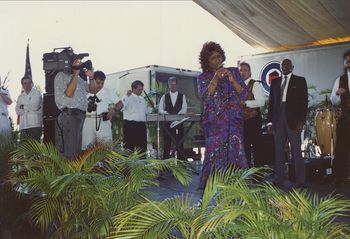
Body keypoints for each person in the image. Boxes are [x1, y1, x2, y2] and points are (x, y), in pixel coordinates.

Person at [197, 41, 248, 189]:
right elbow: (205, 97)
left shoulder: (233, 71)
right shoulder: (203, 77)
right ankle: (212, 186)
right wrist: (216, 78)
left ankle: (236, 186)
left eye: (219, 56)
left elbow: (244, 94)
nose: (217, 60)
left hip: (234, 124)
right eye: (213, 58)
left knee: (235, 153)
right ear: (207, 61)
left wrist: (232, 81)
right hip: (215, 126)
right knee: (214, 155)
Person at [267, 59, 308, 188]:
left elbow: (304, 103)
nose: (284, 66)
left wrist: (301, 121)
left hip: (294, 120)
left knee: (296, 151)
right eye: (282, 64)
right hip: (278, 119)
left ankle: (300, 180)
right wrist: (269, 122)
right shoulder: (275, 82)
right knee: (278, 151)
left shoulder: (300, 81)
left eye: (287, 64)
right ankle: (279, 179)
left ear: (292, 67)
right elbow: (271, 103)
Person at [54, 58, 94, 159]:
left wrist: (91, 77)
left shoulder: (79, 78)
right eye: (76, 63)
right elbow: (69, 93)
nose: (78, 65)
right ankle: (70, 173)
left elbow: (92, 90)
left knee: (76, 151)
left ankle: (74, 173)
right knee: (71, 153)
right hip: (70, 116)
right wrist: (76, 73)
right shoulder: (61, 76)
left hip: (79, 117)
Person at [82, 70, 123, 149]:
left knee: (106, 149)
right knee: (86, 150)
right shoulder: (85, 89)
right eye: (98, 83)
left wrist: (113, 110)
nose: (100, 85)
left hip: (103, 122)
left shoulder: (108, 91)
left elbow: (120, 104)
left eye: (102, 83)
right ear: (92, 80)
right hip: (88, 121)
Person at [239, 62, 266, 168]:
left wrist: (246, 103)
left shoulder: (255, 84)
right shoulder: (237, 85)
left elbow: (261, 102)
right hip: (241, 121)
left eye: (245, 70)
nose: (242, 72)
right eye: (241, 70)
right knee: (244, 148)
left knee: (256, 147)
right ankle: (247, 172)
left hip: (253, 120)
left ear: (250, 72)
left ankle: (258, 174)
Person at [330, 50, 350, 186]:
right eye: (346, 59)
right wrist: (337, 94)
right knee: (341, 148)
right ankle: (339, 177)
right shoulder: (340, 79)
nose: (348, 61)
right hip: (345, 118)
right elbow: (333, 100)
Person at [158, 76, 188, 160]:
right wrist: (166, 113)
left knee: (180, 143)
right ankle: (166, 165)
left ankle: (181, 164)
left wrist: (177, 115)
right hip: (167, 124)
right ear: (168, 85)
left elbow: (184, 108)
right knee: (167, 144)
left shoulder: (182, 96)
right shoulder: (164, 96)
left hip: (179, 123)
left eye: (174, 84)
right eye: (170, 84)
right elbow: (160, 109)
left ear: (176, 85)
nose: (172, 86)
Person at [121, 80, 151, 154]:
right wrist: (126, 96)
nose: (141, 91)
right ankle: (128, 165)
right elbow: (121, 108)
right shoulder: (127, 97)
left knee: (142, 148)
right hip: (130, 125)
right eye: (139, 89)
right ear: (134, 89)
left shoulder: (142, 99)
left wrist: (149, 107)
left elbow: (146, 112)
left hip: (141, 126)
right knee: (129, 148)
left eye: (142, 89)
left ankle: (142, 165)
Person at [15, 76, 42, 141]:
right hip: (24, 126)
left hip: (35, 126)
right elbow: (17, 111)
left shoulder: (36, 93)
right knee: (24, 149)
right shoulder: (20, 96)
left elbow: (34, 107)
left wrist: (23, 106)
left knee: (34, 149)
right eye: (25, 83)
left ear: (32, 83)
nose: (27, 85)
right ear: (22, 85)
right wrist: (28, 107)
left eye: (29, 83)